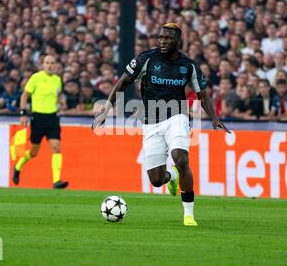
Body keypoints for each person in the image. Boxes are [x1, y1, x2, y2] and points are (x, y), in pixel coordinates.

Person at [92, 23, 230, 227]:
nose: (163, 42)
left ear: (178, 41)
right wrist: (105, 110)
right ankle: (172, 176)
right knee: (157, 180)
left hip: (178, 117)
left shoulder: (189, 65)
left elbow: (203, 94)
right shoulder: (146, 59)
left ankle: (188, 215)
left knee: (181, 159)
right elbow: (122, 83)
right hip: (151, 123)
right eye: (161, 37)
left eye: (168, 38)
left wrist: (215, 118)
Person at [13, 55, 68, 189]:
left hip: (52, 118)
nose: (50, 65)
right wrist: (23, 114)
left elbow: (59, 94)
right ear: (42, 65)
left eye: (52, 63)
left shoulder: (57, 80)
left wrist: (62, 101)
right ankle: (18, 166)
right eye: (47, 63)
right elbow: (25, 95)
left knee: (56, 148)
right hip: (38, 118)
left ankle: (56, 181)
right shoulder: (36, 78)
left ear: (56, 65)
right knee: (33, 153)